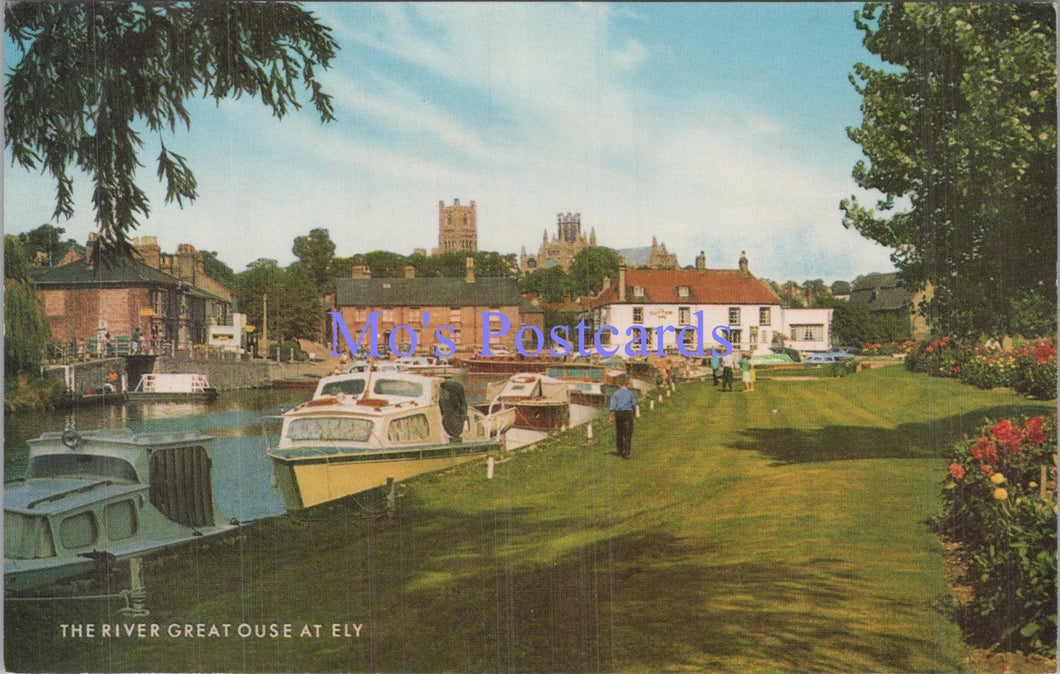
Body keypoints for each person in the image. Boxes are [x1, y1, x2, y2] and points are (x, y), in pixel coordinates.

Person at [608, 374, 636, 459]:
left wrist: (610, 418)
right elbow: (633, 404)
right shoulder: (630, 393)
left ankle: (620, 451)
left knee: (619, 432)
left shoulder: (616, 394)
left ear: (619, 384)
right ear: (627, 384)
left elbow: (612, 407)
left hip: (619, 413)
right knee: (628, 433)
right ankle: (627, 452)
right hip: (628, 413)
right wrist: (634, 415)